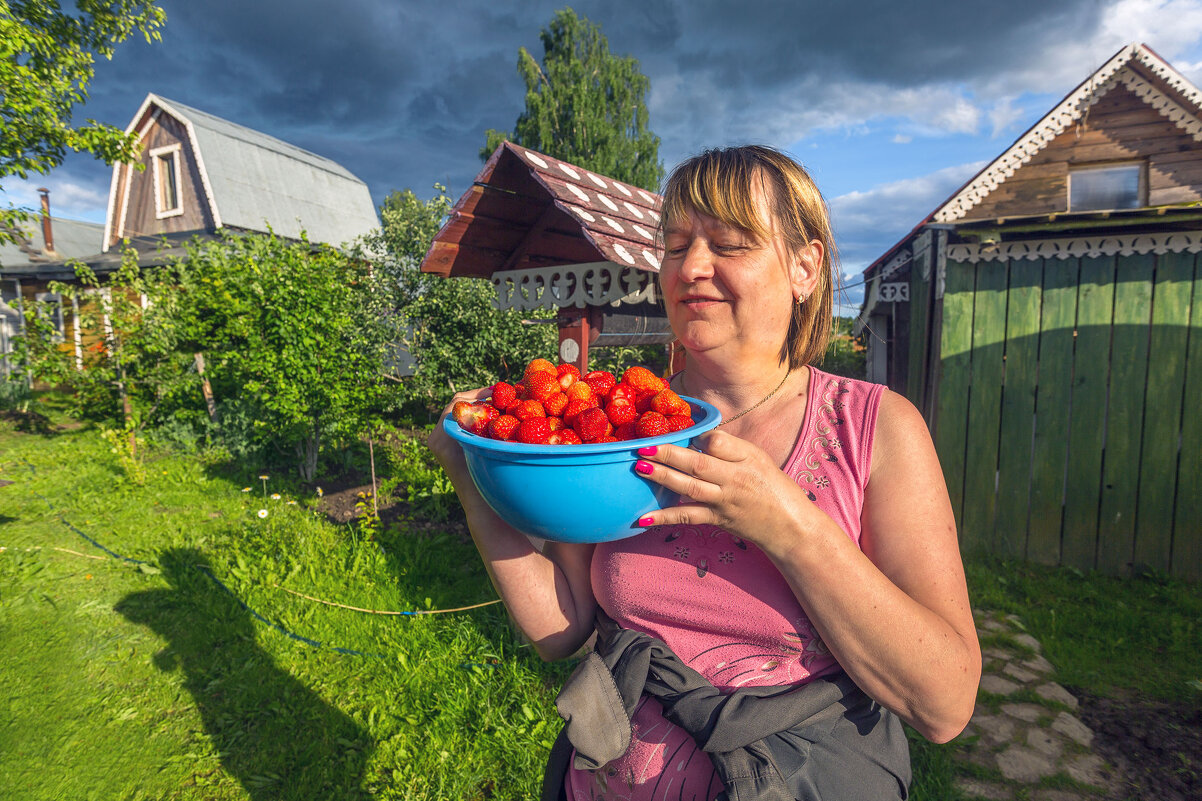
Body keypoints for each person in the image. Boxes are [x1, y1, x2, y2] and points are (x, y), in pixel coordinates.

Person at [428, 145, 981, 801]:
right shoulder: (620, 423)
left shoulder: (878, 427)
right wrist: (474, 475)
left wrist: (790, 527)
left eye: (729, 243)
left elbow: (944, 702)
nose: (690, 267)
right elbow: (563, 625)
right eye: (675, 245)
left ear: (804, 267)